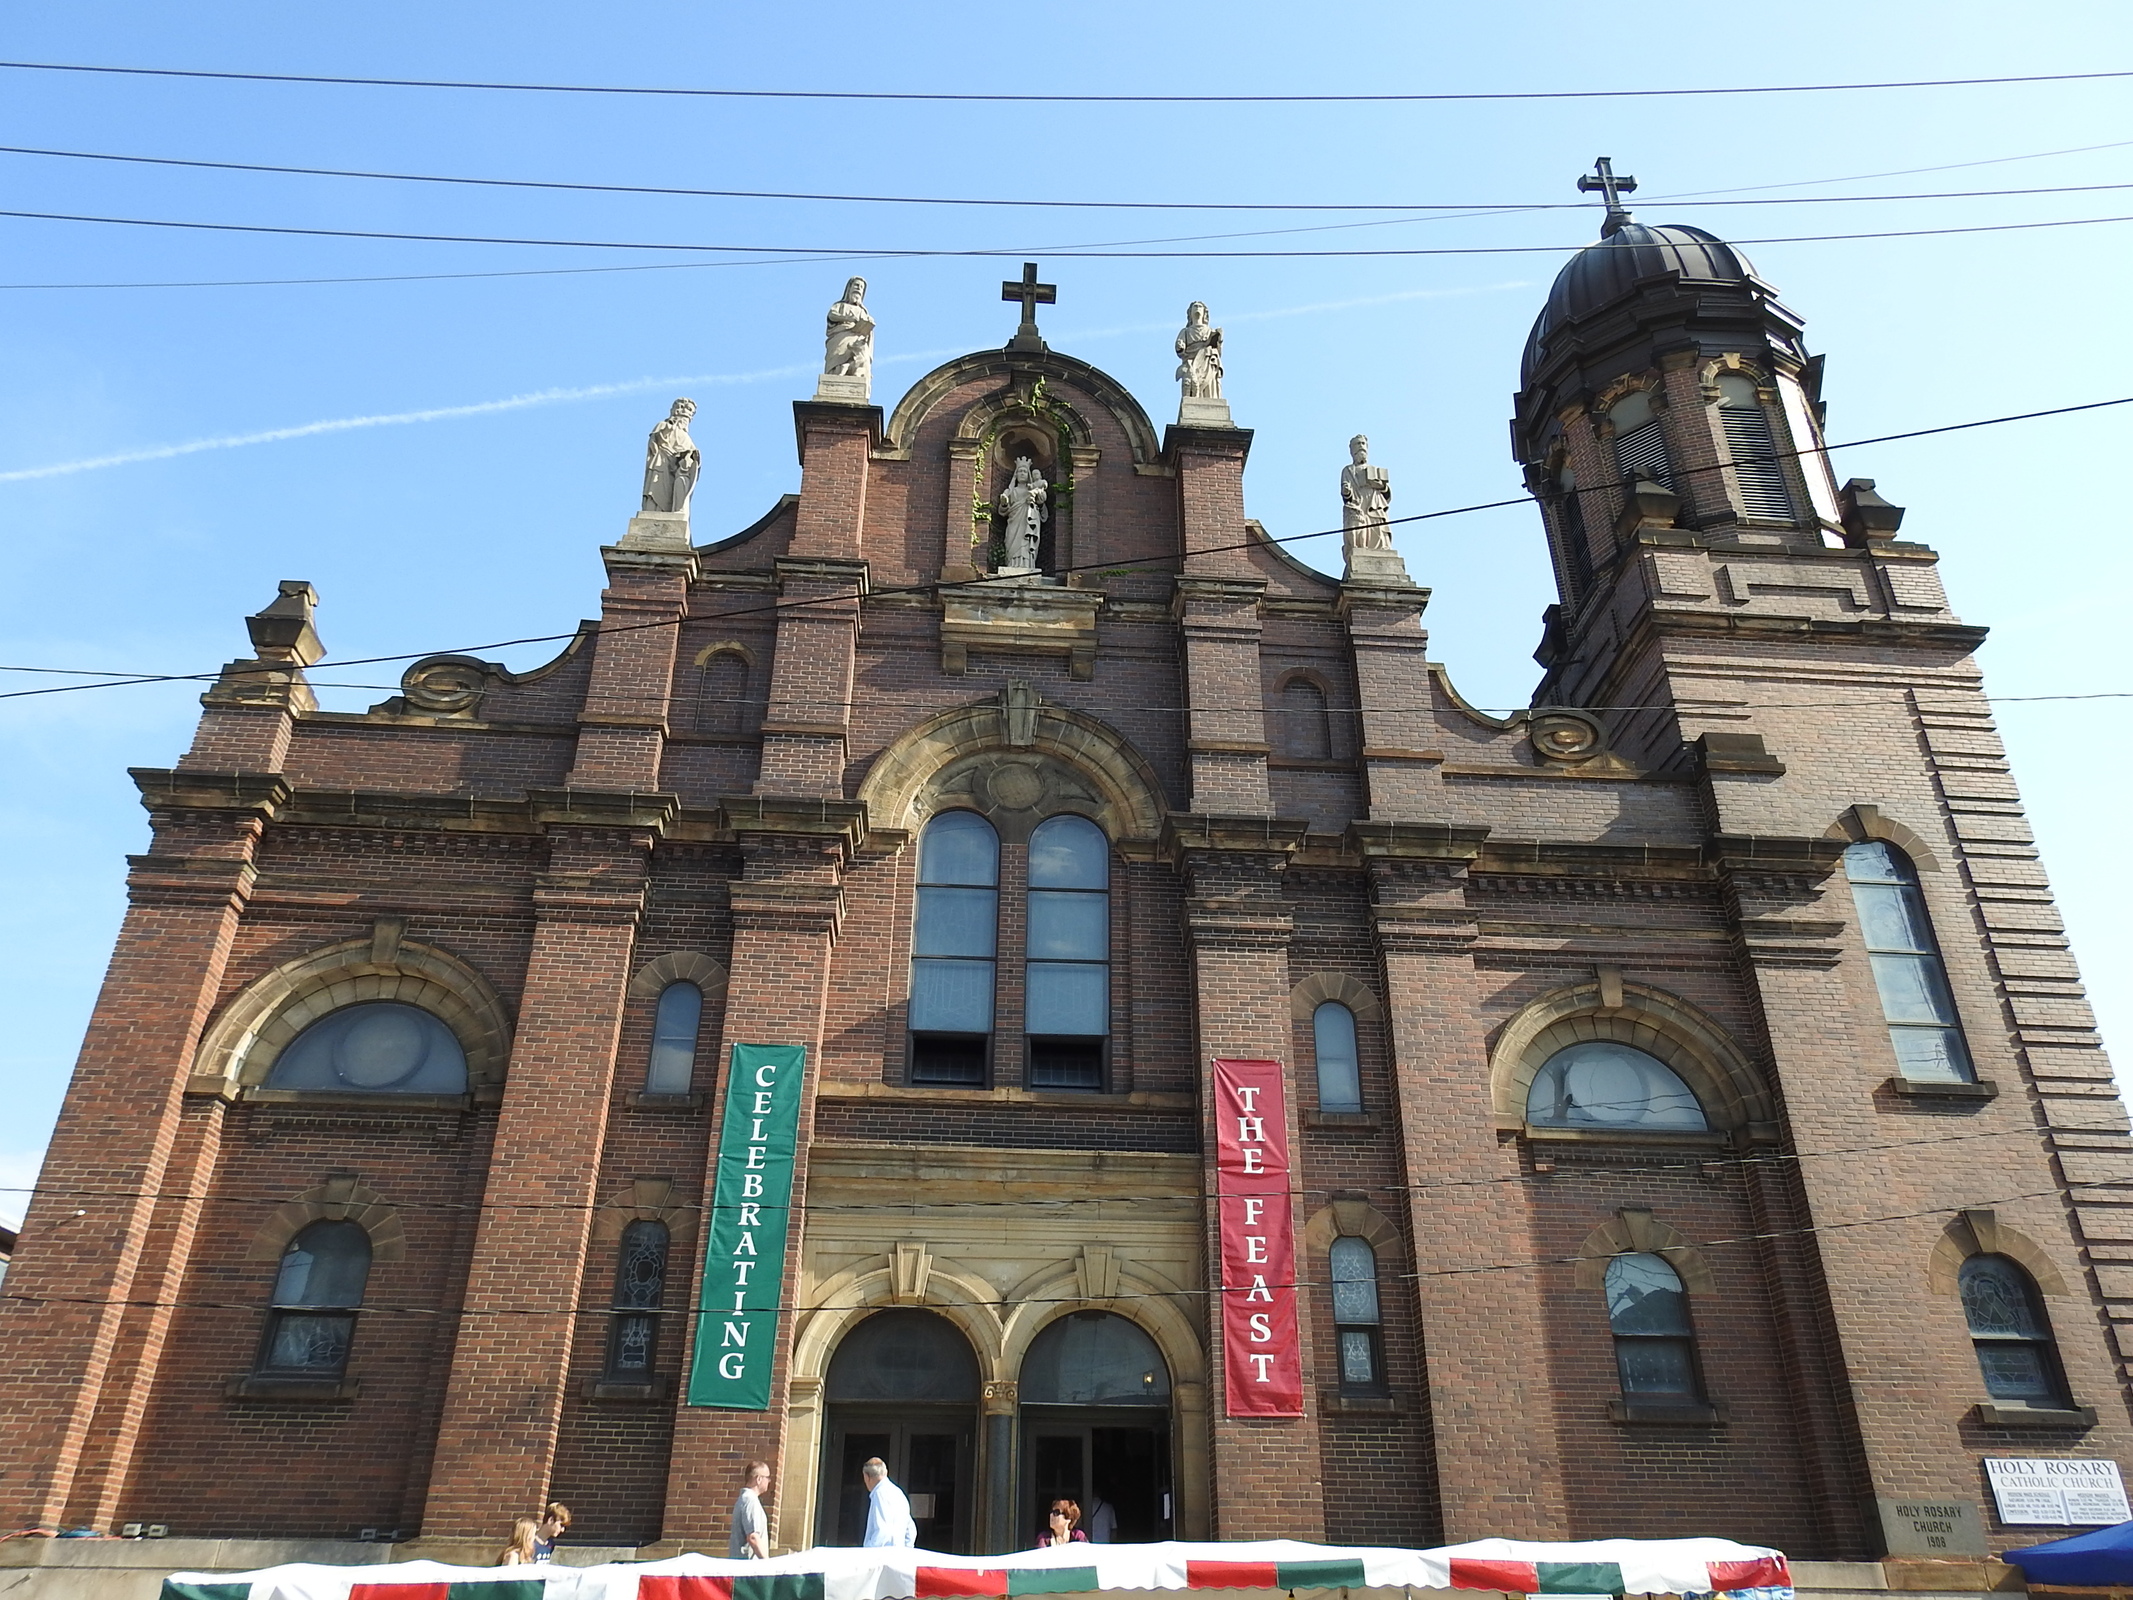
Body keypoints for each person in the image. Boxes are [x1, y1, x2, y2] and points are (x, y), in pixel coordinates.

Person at [860, 1456, 916, 1548]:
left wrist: (869, 1551)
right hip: (898, 1552)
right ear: (885, 1472)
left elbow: (882, 1531)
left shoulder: (879, 1494)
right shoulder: (898, 1492)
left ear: (867, 1477)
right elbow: (910, 1530)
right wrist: (905, 1550)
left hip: (882, 1554)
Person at [730, 1459, 772, 1560]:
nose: (769, 1481)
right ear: (759, 1479)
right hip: (750, 1566)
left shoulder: (744, 1499)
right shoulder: (750, 1500)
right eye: (767, 1478)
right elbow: (753, 1537)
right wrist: (767, 1562)